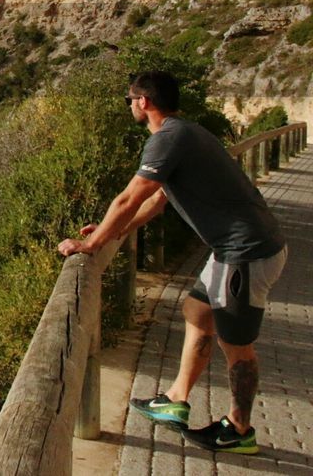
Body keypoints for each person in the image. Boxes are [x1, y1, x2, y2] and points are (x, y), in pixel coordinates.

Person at [56, 70, 287, 455]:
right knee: (197, 310)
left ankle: (239, 431)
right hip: (232, 251)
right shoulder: (184, 134)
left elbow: (130, 198)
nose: (129, 105)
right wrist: (114, 231)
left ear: (143, 102)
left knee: (238, 348)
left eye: (129, 99)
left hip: (245, 254)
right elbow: (156, 202)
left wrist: (90, 244)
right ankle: (176, 398)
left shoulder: (167, 139)